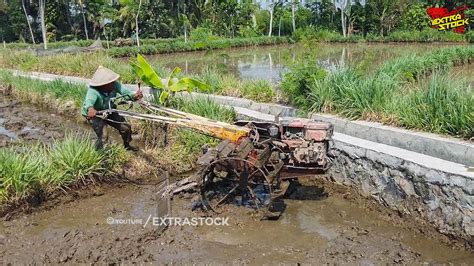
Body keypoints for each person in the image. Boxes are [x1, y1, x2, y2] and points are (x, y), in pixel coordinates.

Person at [82, 66, 143, 151]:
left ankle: (127, 146)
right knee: (103, 136)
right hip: (95, 114)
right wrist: (90, 109)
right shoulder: (93, 91)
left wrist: (134, 96)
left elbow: (125, 92)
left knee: (125, 128)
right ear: (103, 84)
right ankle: (99, 154)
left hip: (109, 110)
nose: (114, 83)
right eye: (111, 82)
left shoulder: (114, 85)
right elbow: (89, 100)